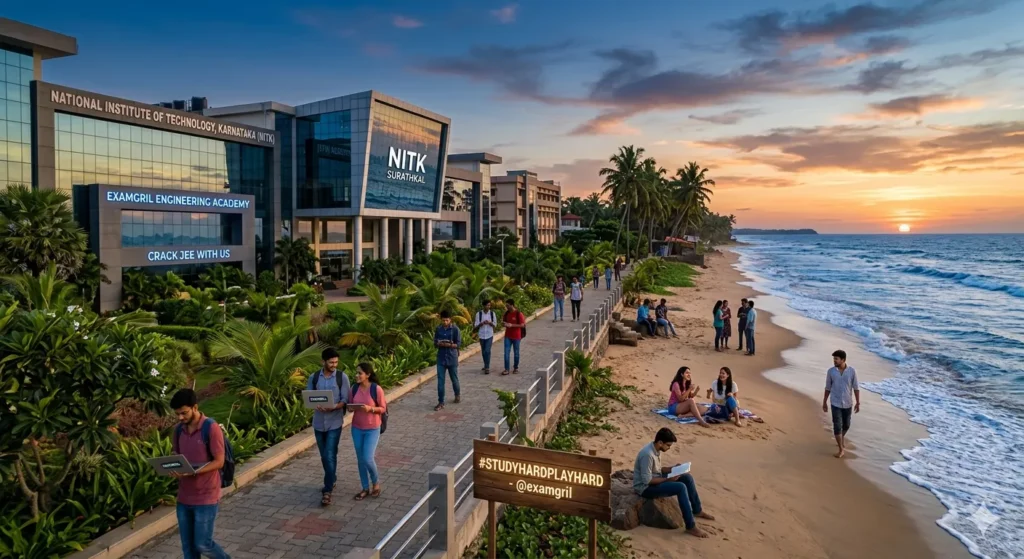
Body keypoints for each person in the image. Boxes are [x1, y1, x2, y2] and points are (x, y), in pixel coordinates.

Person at [169, 388, 231, 559]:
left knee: (203, 544)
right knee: (188, 549)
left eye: (184, 413)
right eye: (177, 414)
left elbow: (219, 461)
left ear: (195, 407)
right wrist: (173, 466)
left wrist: (193, 471)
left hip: (206, 497)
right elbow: (177, 454)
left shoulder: (210, 428)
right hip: (184, 497)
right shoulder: (178, 430)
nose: (180, 417)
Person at [633, 427, 714, 538]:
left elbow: (657, 470)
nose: (669, 448)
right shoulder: (647, 454)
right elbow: (647, 480)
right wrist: (668, 479)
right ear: (660, 442)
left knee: (687, 478)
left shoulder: (656, 449)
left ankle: (697, 510)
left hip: (656, 478)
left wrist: (672, 469)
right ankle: (690, 526)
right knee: (680, 487)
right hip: (645, 488)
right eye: (668, 445)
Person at [307, 348, 350, 506]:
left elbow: (345, 399)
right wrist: (316, 405)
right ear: (323, 362)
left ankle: (327, 490)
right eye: (331, 362)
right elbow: (309, 396)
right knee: (324, 455)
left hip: (334, 422)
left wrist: (334, 407)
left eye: (336, 362)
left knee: (329, 455)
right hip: (318, 423)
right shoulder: (314, 378)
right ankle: (332, 479)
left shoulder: (341, 377)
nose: (334, 365)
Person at [349, 362, 387, 500]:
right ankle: (365, 487)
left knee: (368, 458)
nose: (357, 375)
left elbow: (383, 408)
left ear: (368, 375)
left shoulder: (376, 389)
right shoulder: (354, 388)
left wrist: (369, 409)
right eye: (356, 372)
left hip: (372, 428)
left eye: (360, 373)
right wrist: (351, 408)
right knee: (360, 459)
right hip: (357, 428)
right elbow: (349, 405)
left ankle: (376, 483)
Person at [823, 349, 860, 458]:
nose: (834, 361)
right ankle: (841, 449)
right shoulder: (831, 372)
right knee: (837, 426)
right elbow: (828, 388)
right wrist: (824, 402)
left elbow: (856, 388)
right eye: (834, 359)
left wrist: (858, 402)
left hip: (848, 403)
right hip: (835, 403)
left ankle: (841, 437)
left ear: (843, 360)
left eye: (836, 359)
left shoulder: (852, 371)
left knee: (847, 425)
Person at [434, 310, 462, 411]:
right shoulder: (438, 329)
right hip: (441, 358)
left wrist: (449, 344)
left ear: (450, 320)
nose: (445, 322)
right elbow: (435, 342)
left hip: (452, 358)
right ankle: (441, 402)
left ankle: (457, 394)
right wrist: (439, 343)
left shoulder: (455, 329)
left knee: (454, 379)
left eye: (447, 320)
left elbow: (458, 344)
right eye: (443, 320)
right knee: (440, 381)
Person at [502, 299, 526, 375]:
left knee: (516, 353)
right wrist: (504, 324)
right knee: (506, 353)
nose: (507, 307)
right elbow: (503, 321)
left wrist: (512, 325)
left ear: (512, 305)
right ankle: (506, 369)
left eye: (508, 306)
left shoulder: (518, 314)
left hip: (516, 336)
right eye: (506, 306)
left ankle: (515, 367)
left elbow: (522, 325)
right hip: (508, 336)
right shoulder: (507, 314)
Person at [474, 300, 497, 374]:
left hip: (489, 334)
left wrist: (490, 323)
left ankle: (487, 367)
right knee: (483, 351)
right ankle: (485, 364)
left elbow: (495, 325)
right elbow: (476, 325)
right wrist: (482, 323)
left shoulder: (492, 314)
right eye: (487, 305)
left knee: (487, 350)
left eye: (489, 305)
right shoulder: (479, 314)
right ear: (483, 306)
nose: (488, 307)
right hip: (481, 335)